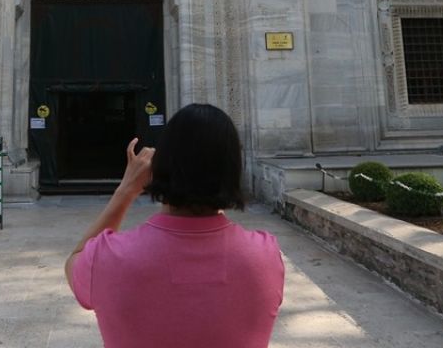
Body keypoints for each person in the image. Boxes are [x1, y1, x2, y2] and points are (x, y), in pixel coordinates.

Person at [65, 103, 284, 348]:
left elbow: (75, 260)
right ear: (233, 169)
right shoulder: (266, 256)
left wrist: (126, 189)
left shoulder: (108, 257)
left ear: (159, 166)